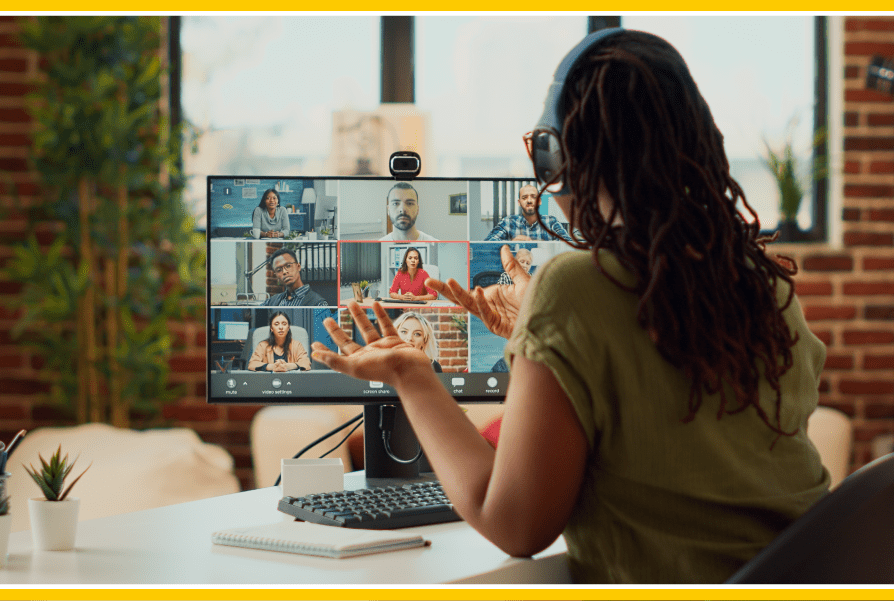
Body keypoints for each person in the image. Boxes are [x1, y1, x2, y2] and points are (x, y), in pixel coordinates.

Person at [311, 29, 828, 584]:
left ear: (567, 156)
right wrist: (539, 339)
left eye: (545, 153)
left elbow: (513, 524)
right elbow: (663, 425)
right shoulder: (765, 287)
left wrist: (409, 374)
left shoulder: (577, 286)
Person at [484, 184, 572, 241]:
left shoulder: (551, 221)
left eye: (533, 197)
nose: (529, 201)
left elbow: (568, 244)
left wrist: (542, 245)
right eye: (524, 197)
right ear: (519, 203)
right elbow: (488, 243)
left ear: (539, 201)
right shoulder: (508, 222)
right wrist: (511, 243)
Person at [262, 248, 327, 307]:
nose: (284, 272)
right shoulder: (272, 301)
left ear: (298, 266)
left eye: (288, 266)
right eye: (279, 270)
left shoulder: (318, 303)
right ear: (276, 275)